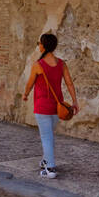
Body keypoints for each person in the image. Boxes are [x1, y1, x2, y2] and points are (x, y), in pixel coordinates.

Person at [20, 33, 78, 179]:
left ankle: (50, 169)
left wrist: (25, 94)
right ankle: (46, 160)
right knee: (49, 135)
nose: (38, 45)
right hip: (58, 107)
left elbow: (30, 83)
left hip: (43, 106)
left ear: (43, 45)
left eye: (39, 43)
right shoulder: (61, 64)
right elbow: (69, 83)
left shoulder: (38, 65)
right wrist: (75, 101)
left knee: (46, 137)